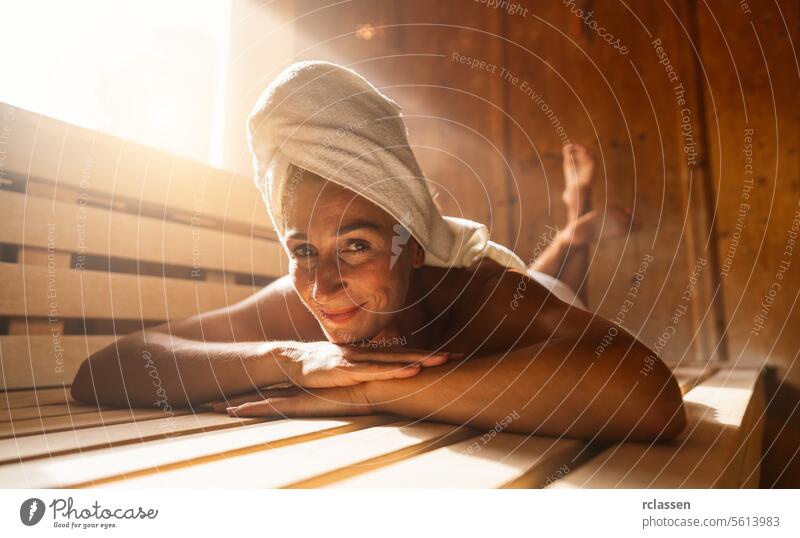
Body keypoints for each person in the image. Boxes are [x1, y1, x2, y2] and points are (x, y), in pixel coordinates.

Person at [71, 62, 684, 443]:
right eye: (304, 248)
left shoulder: (480, 292)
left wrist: (373, 391)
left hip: (532, 300)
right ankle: (575, 225)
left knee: (555, 284)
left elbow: (650, 399)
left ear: (412, 246)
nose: (324, 286)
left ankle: (575, 227)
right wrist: (287, 359)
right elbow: (104, 370)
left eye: (356, 245)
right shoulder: (303, 304)